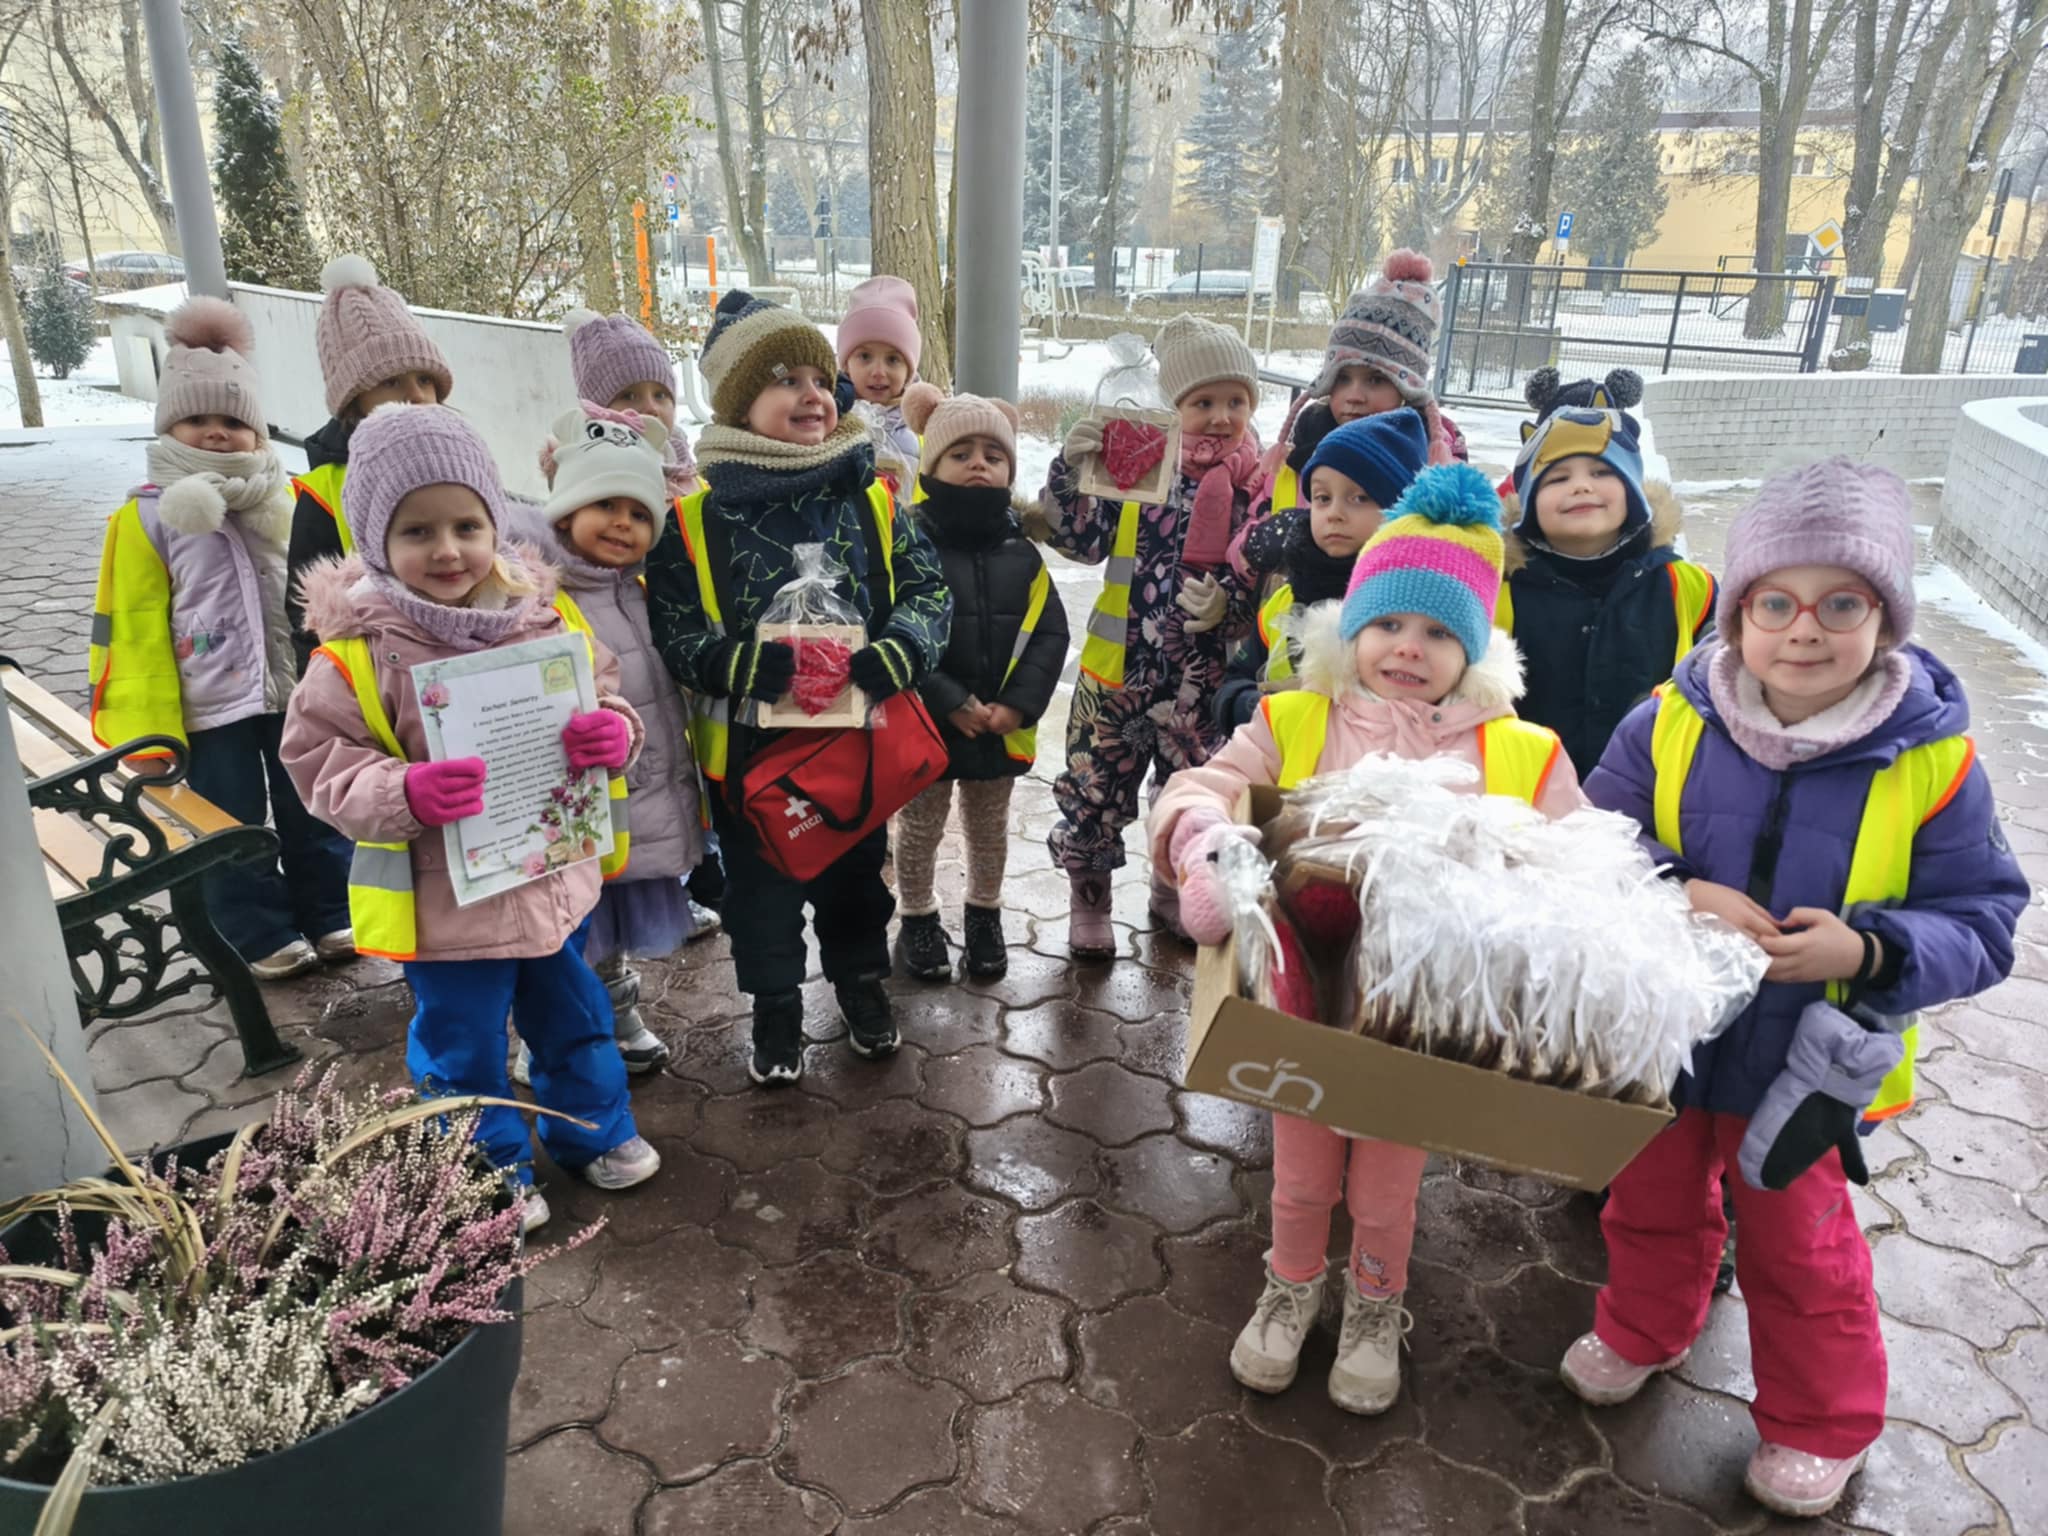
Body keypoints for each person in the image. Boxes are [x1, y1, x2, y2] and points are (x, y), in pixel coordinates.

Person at [1561, 459, 2027, 1519]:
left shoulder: (1933, 763)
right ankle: (1644, 1325)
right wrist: (1680, 891)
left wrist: (1865, 951)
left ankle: (1819, 1422)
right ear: (1737, 612)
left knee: (1799, 1246)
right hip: (1669, 1034)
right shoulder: (1666, 722)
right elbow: (1591, 840)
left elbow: (1984, 918)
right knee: (1646, 1201)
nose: (1803, 632)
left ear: (1887, 618)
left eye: (1840, 605)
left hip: (1809, 1063)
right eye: (1775, 603)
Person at [1153, 461, 1585, 1415]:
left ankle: (1376, 1304)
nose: (1408, 648)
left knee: (1389, 1186)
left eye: (1440, 633)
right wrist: (1206, 847)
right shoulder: (1296, 718)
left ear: (1474, 650)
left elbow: (1579, 862)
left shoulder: (1517, 750)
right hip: (1302, 1006)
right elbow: (1202, 788)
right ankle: (1292, 1283)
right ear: (1352, 627)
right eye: (1389, 623)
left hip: (1419, 1023)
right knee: (1302, 1174)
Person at [284, 404, 662, 1234]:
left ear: (495, 523)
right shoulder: (355, 655)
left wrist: (613, 734)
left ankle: (594, 1134)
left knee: (576, 1021)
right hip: (444, 909)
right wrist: (403, 792)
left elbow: (602, 695)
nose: (448, 550)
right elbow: (318, 764)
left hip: (551, 885)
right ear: (375, 539)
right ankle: (488, 1170)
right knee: (462, 1048)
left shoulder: (543, 616)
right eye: (417, 531)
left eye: (467, 525)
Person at [644, 290, 952, 1086]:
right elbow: (674, 627)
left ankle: (860, 984)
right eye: (785, 379)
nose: (813, 394)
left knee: (855, 882)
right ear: (738, 404)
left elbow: (927, 590)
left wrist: (902, 651)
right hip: (750, 758)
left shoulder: (872, 496)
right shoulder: (694, 521)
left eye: (820, 378)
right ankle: (775, 1005)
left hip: (857, 744)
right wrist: (733, 666)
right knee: (761, 898)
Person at [89, 296, 352, 981]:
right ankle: (257, 929)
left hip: (296, 690)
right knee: (228, 820)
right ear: (168, 424)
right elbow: (131, 630)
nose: (216, 433)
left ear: (257, 429)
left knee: (313, 803)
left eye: (234, 421)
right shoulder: (147, 519)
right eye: (197, 419)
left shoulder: (288, 501)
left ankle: (331, 909)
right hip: (206, 705)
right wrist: (145, 729)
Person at [1046, 314, 1266, 956]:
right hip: (1121, 667)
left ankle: (1174, 889)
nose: (1221, 417)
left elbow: (1266, 578)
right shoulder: (1140, 465)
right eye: (1203, 402)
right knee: (1096, 785)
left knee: (1193, 790)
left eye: (1236, 402)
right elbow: (1081, 541)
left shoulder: (1256, 486)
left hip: (1206, 677)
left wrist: (1231, 603)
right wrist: (1071, 472)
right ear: (1172, 406)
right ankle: (1090, 898)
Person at [503, 402, 700, 1082]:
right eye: (605, 505)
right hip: (568, 796)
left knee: (612, 920)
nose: (623, 523)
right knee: (564, 924)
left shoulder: (641, 591)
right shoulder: (534, 594)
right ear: (566, 511)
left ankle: (618, 1012)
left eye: (640, 513)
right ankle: (543, 1036)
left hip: (633, 791)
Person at [891, 383, 1070, 983]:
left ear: (1009, 471)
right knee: (920, 826)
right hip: (927, 722)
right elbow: (893, 631)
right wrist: (947, 699)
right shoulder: (908, 545)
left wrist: (1018, 706)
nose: (978, 464)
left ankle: (984, 914)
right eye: (960, 453)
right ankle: (917, 916)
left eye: (993, 456)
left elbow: (1049, 634)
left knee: (988, 827)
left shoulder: (1023, 553)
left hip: (998, 725)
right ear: (931, 466)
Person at [560, 307, 721, 938]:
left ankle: (695, 879)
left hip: (677, 693)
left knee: (677, 796)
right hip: (615, 712)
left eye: (661, 394)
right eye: (629, 395)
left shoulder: (690, 481)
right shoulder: (582, 470)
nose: (649, 408)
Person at [1498, 367, 1717, 778]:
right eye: (1557, 477)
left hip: (1650, 794)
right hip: (1523, 794)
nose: (1581, 486)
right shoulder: (1500, 591)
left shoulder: (1688, 587)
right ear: (1528, 504)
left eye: (1602, 472)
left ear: (1633, 492)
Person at [1234, 250, 1467, 583]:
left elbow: (1455, 555)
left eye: (1376, 380)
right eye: (1342, 379)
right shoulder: (1299, 450)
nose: (1354, 396)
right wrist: (1252, 547)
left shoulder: (1432, 464)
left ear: (1409, 389)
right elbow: (1246, 533)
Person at [1213, 407, 1429, 735]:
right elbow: (1232, 686)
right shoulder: (1285, 598)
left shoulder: (1419, 611)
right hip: (1280, 763)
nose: (1334, 513)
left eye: (1360, 498)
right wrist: (1256, 706)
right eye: (1322, 497)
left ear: (1402, 511)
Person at [285, 256, 454, 673]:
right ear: (353, 399)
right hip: (376, 673)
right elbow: (307, 614)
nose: (416, 395)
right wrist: (323, 688)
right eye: (391, 382)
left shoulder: (460, 466)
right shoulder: (324, 492)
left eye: (425, 380)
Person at [835, 275, 923, 496]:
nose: (878, 372)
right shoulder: (828, 420)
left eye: (893, 359)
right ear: (846, 364)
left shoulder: (924, 427)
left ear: (909, 372)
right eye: (865, 357)